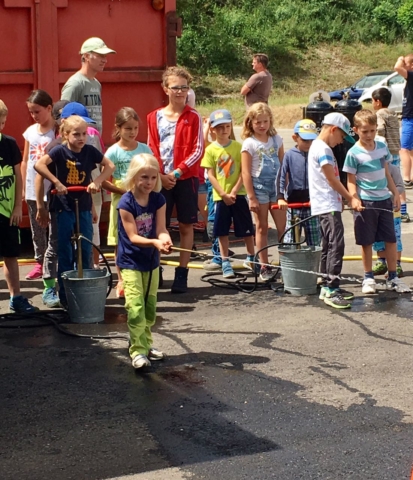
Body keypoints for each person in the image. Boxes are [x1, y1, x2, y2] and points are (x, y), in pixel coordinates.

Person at [34, 115, 115, 307]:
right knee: (65, 251)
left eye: (84, 134)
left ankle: (86, 292)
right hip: (63, 206)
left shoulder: (89, 151)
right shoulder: (59, 151)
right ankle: (65, 295)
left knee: (86, 248)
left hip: (84, 205)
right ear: (65, 134)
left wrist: (97, 182)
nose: (81, 138)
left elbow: (110, 165)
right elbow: (39, 164)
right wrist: (56, 182)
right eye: (76, 134)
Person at [147, 66, 204, 293]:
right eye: (175, 87)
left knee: (185, 225)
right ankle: (156, 269)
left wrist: (177, 173)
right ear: (165, 89)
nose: (180, 92)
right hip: (160, 179)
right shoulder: (154, 117)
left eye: (184, 87)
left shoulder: (194, 117)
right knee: (157, 225)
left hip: (185, 179)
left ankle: (182, 272)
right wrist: (160, 175)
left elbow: (198, 149)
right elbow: (151, 147)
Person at [343, 109, 411, 294]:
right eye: (365, 131)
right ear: (356, 130)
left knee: (390, 239)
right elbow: (351, 179)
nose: (369, 135)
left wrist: (395, 193)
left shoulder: (382, 147)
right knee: (367, 241)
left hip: (384, 200)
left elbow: (387, 172)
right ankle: (368, 277)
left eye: (372, 130)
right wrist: (354, 198)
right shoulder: (353, 153)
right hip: (366, 202)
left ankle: (393, 276)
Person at [117, 153, 172, 369]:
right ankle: (137, 351)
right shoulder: (125, 202)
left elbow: (161, 229)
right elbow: (133, 237)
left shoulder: (159, 199)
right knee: (135, 307)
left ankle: (146, 344)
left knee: (149, 307)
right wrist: (155, 243)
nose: (148, 182)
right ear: (133, 177)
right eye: (143, 178)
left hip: (151, 261)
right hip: (130, 261)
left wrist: (165, 239)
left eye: (152, 177)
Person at [308, 112, 362, 309]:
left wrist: (341, 199)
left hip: (327, 204)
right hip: (327, 204)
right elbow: (331, 179)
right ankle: (331, 287)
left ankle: (325, 283)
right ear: (333, 130)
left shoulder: (318, 146)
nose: (341, 142)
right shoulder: (323, 150)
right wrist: (350, 197)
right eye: (341, 137)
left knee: (328, 245)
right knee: (336, 245)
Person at [103, 107, 152, 298]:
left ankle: (142, 274)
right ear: (118, 128)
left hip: (143, 203)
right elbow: (104, 179)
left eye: (135, 128)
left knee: (143, 236)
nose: (132, 132)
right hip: (121, 202)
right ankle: (121, 279)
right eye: (128, 128)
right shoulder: (113, 152)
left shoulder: (144, 149)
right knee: (121, 241)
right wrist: (123, 190)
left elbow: (153, 173)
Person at [201, 109, 255, 278]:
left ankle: (251, 258)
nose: (224, 130)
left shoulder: (239, 147)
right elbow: (210, 174)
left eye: (227, 126)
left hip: (238, 194)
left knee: (246, 228)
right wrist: (223, 193)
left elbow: (243, 171)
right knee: (221, 231)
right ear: (212, 130)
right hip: (220, 197)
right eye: (219, 127)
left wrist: (233, 191)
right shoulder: (211, 150)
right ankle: (225, 262)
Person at [0, 100, 38, 314]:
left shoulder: (9, 144)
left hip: (7, 212)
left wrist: (17, 207)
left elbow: (17, 175)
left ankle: (16, 296)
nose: (1, 127)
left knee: (11, 255)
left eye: (3, 123)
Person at [241, 102, 286, 281]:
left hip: (276, 188)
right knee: (261, 227)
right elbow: (245, 172)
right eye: (258, 122)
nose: (262, 125)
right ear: (250, 123)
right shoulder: (249, 144)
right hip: (259, 188)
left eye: (265, 121)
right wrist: (251, 197)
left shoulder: (277, 140)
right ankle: (264, 265)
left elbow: (283, 165)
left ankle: (285, 263)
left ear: (270, 121)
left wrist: (284, 190)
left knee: (283, 227)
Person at [22, 90, 56, 281]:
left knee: (54, 226)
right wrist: (24, 187)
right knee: (37, 228)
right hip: (32, 188)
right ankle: (39, 261)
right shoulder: (30, 132)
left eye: (37, 111)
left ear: (49, 108)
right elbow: (26, 160)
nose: (34, 116)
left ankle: (52, 262)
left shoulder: (56, 131)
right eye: (31, 112)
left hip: (51, 187)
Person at [278, 119, 321, 246]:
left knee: (314, 239)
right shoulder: (289, 155)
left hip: (312, 204)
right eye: (305, 140)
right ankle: (291, 263)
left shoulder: (317, 154)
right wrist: (280, 197)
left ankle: (313, 264)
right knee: (291, 239)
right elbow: (281, 176)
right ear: (295, 138)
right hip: (293, 204)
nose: (309, 144)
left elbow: (324, 177)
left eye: (312, 140)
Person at [61, 37, 116, 134]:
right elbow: (63, 116)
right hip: (80, 143)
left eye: (105, 56)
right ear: (86, 56)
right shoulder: (75, 83)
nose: (105, 60)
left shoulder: (96, 84)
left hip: (94, 140)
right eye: (100, 56)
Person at [372, 87, 409, 222]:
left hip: (386, 153)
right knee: (398, 182)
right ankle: (403, 209)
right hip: (396, 152)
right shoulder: (393, 113)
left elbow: (381, 129)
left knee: (388, 182)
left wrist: (376, 136)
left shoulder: (380, 114)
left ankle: (391, 206)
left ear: (378, 102)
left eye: (372, 100)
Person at [372, 162, 404, 278]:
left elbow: (400, 186)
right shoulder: (370, 168)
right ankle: (381, 261)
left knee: (394, 237)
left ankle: (397, 263)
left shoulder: (392, 168)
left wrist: (388, 194)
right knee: (377, 237)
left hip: (392, 209)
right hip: (376, 209)